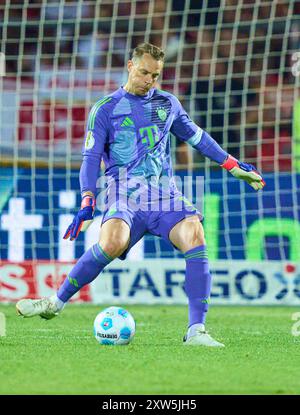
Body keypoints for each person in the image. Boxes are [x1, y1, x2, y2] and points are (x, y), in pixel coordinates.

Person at [16, 43, 265, 347]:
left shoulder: (168, 104)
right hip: (123, 194)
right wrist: (87, 198)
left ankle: (196, 330)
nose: (149, 80)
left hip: (164, 195)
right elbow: (91, 158)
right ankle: (55, 302)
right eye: (144, 72)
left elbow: (198, 137)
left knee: (195, 233)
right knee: (112, 242)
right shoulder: (106, 108)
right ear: (130, 67)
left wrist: (231, 164)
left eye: (155, 75)